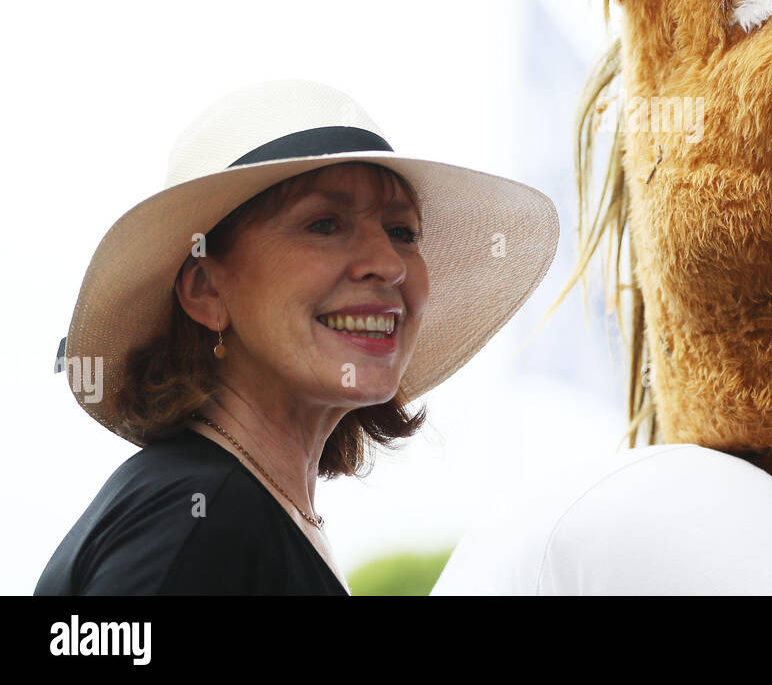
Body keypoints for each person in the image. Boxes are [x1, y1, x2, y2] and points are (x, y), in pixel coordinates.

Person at [35, 79, 558, 595]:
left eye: (402, 232)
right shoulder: (201, 519)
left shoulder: (241, 508)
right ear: (207, 290)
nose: (388, 264)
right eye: (324, 224)